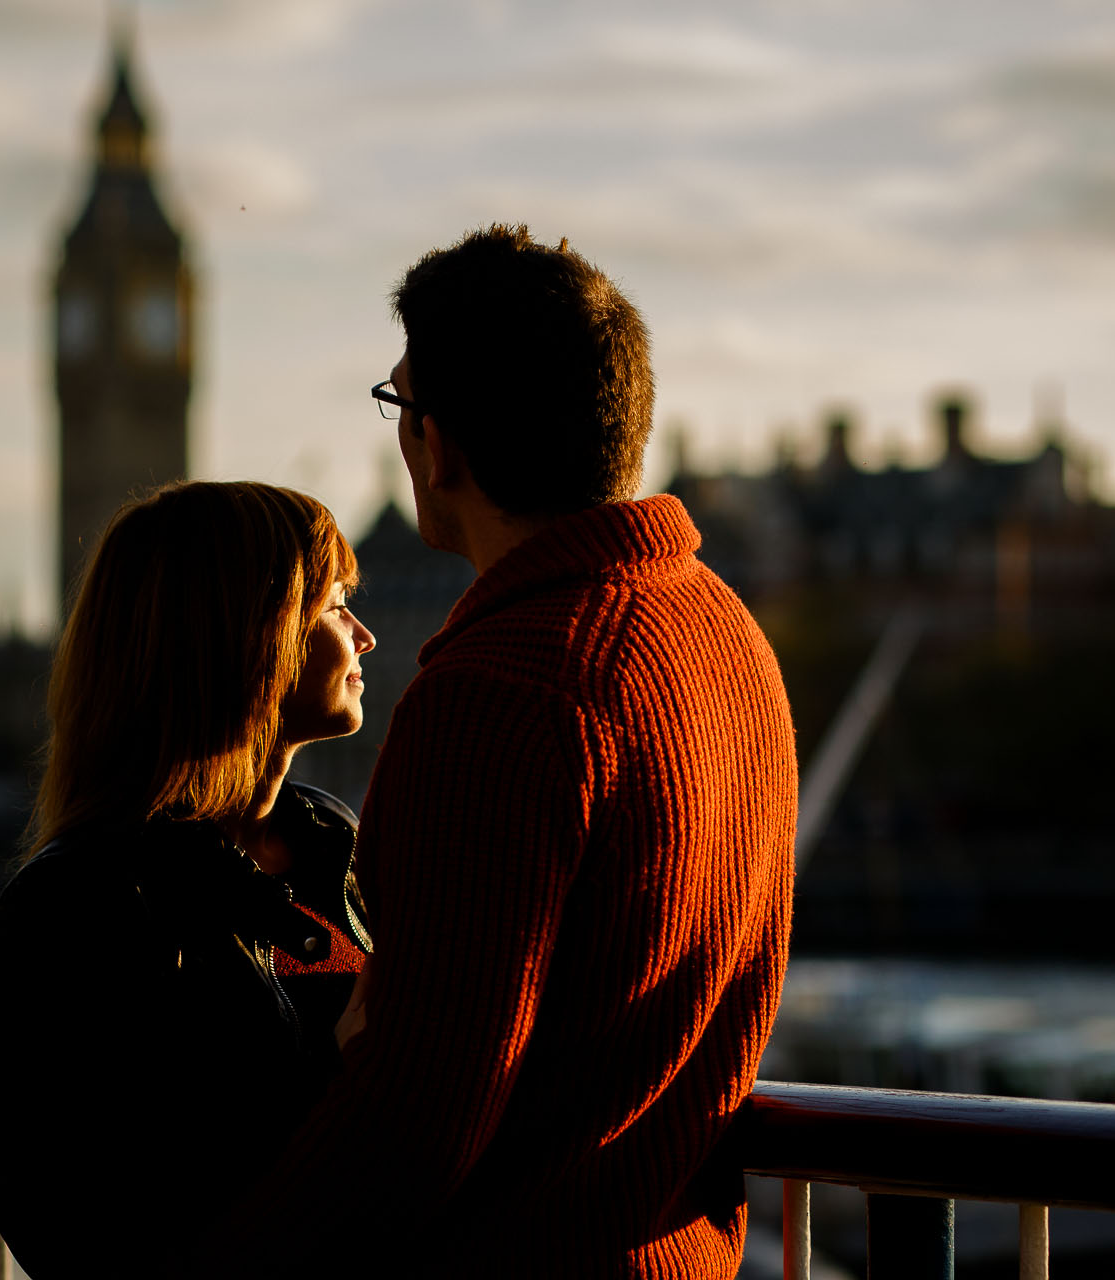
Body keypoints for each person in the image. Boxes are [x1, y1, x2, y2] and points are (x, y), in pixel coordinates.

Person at [227, 226, 799, 1278]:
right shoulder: (731, 638)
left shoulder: (503, 691)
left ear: (437, 445)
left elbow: (417, 1113)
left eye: (400, 406)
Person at [0, 480, 376, 1279]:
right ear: (250, 637)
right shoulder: (78, 906)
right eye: (334, 606)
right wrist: (340, 1061)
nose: (364, 636)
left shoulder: (333, 838)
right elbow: (70, 1224)